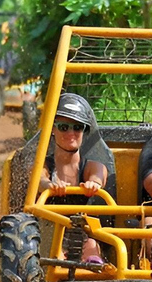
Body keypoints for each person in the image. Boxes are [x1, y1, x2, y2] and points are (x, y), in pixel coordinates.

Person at [39, 93, 111, 263]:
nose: (71, 133)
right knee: (54, 255)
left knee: (92, 247)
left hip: (80, 233)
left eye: (77, 127)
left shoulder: (92, 165)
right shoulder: (43, 165)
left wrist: (94, 184)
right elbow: (39, 180)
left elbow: (99, 175)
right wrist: (50, 185)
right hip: (47, 232)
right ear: (53, 130)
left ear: (84, 131)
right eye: (64, 127)